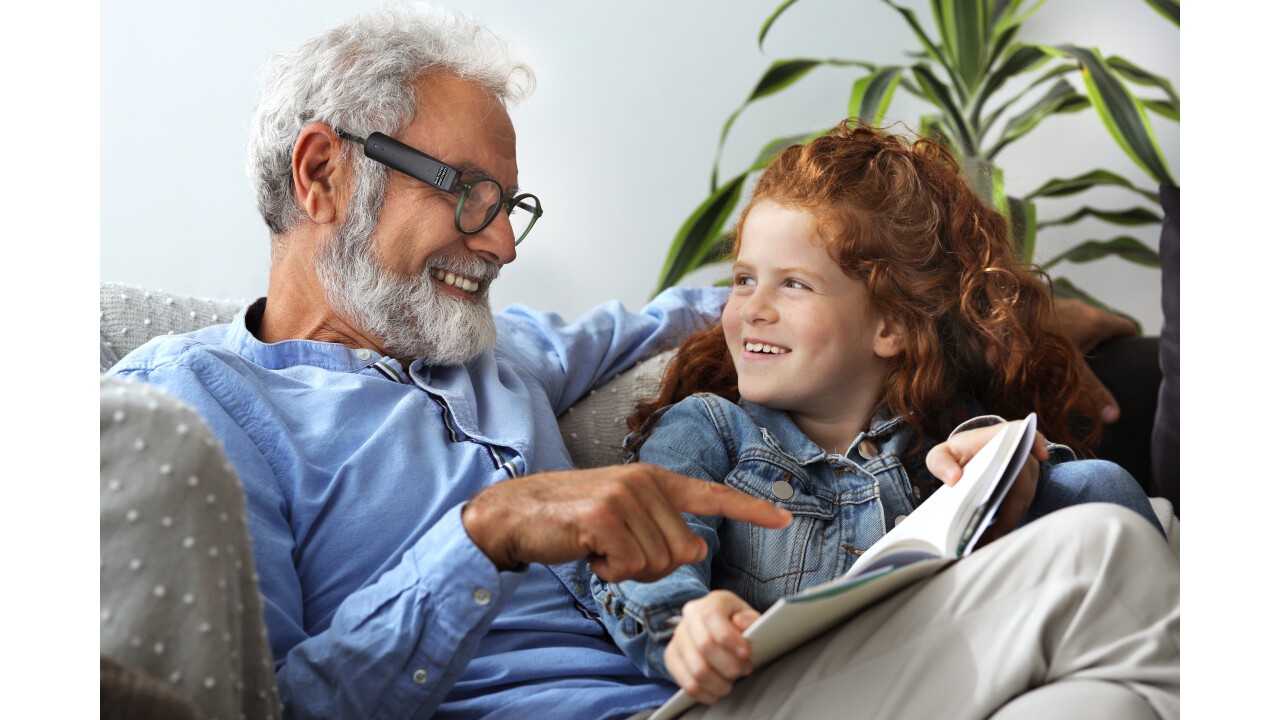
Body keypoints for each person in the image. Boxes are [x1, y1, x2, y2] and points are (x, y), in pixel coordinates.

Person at [101, 5, 1177, 719]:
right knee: (1102, 563)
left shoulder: (495, 350)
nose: (504, 243)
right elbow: (278, 704)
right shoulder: (190, 411)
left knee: (1105, 692)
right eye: (470, 195)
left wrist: (976, 311)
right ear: (323, 171)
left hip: (706, 695)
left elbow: (710, 304)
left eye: (510, 204)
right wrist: (483, 538)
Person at [589, 121, 1165, 702]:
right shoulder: (708, 429)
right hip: (789, 696)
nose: (752, 309)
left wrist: (1016, 473)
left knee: (1095, 484)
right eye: (744, 279)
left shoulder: (934, 435)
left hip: (933, 677)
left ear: (889, 326)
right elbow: (644, 547)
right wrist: (685, 624)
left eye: (793, 285)